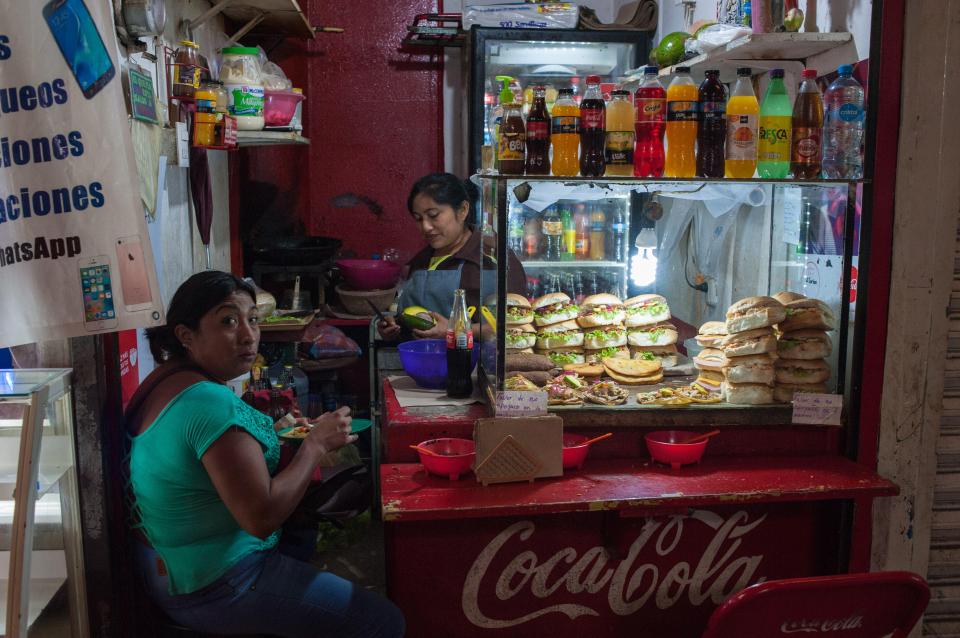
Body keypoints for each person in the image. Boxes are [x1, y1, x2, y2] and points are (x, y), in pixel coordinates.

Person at [125, 271, 404, 638]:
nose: (248, 335)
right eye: (228, 321)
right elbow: (261, 517)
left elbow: (206, 462)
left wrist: (275, 435)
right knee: (383, 622)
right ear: (186, 335)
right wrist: (316, 444)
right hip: (219, 582)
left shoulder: (167, 381)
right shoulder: (210, 404)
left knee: (303, 541)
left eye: (253, 320)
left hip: (173, 568)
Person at [378, 173, 527, 340]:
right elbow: (413, 317)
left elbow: (519, 328)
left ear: (463, 210)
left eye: (433, 215)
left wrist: (454, 330)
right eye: (418, 219)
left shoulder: (492, 258)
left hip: (475, 364)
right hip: (422, 362)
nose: (425, 227)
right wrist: (395, 324)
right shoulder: (421, 260)